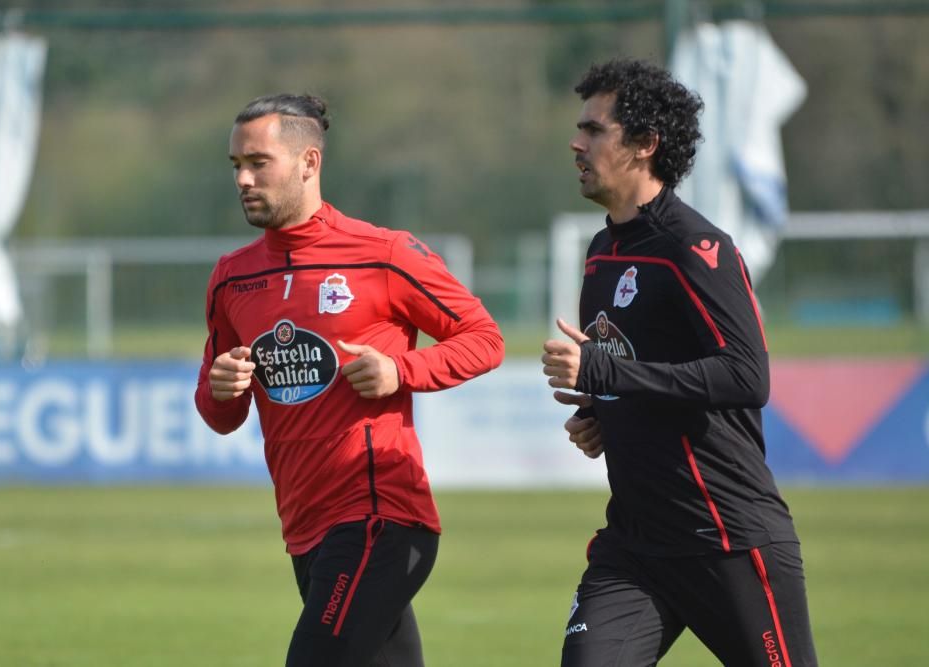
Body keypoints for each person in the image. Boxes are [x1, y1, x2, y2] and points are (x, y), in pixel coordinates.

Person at [195, 93, 504, 667]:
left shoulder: (383, 254)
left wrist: (401, 370)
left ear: (309, 163)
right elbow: (220, 416)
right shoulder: (231, 279)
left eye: (259, 163)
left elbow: (485, 339)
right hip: (304, 529)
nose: (242, 178)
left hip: (378, 518)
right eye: (236, 164)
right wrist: (221, 388)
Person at [541, 59, 818, 666]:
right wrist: (600, 415)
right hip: (634, 548)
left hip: (726, 537)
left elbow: (747, 378)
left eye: (594, 130)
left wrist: (603, 374)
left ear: (644, 145)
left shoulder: (696, 248)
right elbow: (641, 374)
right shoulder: (600, 252)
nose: (576, 142)